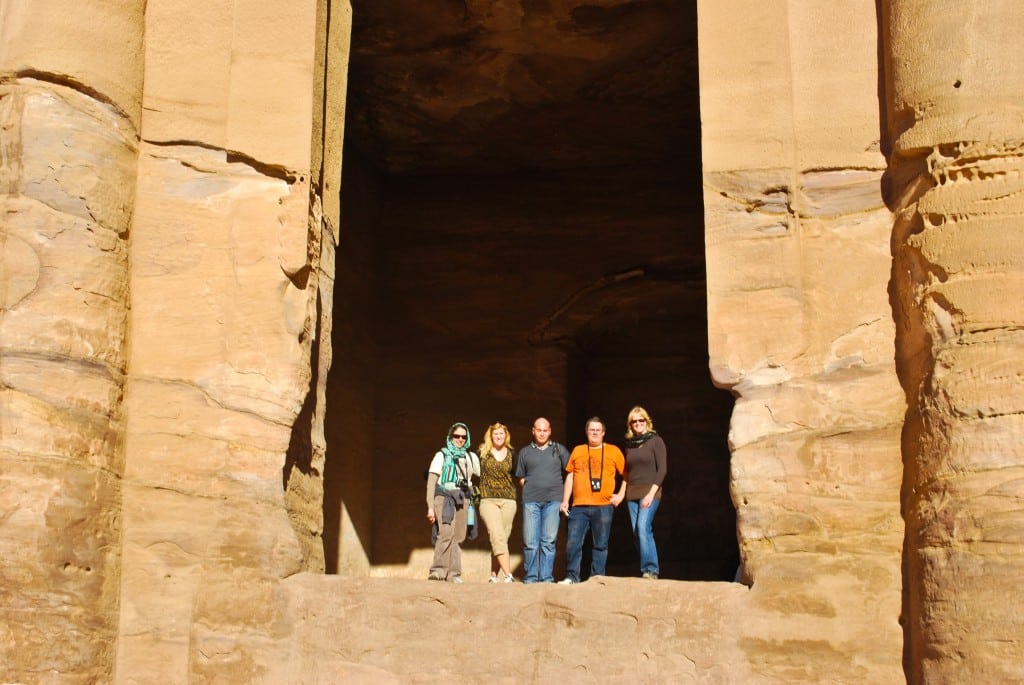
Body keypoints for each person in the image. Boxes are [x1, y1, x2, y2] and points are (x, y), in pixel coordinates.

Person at [559, 417, 626, 584]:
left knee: (601, 544)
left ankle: (597, 577)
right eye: (591, 430)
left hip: (603, 506)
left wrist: (620, 495)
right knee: (573, 543)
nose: (594, 433)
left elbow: (627, 475)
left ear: (603, 433)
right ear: (586, 432)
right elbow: (570, 476)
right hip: (579, 506)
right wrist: (565, 500)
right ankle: (571, 576)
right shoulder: (578, 450)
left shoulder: (613, 451)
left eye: (598, 430)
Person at [514, 417, 570, 584]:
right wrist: (532, 490)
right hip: (531, 502)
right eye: (539, 430)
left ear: (550, 431)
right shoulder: (525, 452)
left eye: (545, 430)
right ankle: (531, 578)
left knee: (548, 541)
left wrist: (564, 498)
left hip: (553, 501)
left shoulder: (559, 450)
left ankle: (546, 578)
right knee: (530, 541)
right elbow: (521, 477)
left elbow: (571, 472)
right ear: (533, 431)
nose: (542, 433)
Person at [425, 422, 480, 582]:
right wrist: (430, 507)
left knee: (458, 536)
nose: (460, 439)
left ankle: (453, 574)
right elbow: (431, 482)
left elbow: (482, 473)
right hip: (444, 498)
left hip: (463, 498)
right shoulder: (441, 455)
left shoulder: (470, 457)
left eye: (464, 437)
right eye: (457, 436)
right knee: (446, 533)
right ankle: (437, 571)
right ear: (451, 436)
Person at [624, 406, 667, 580]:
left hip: (650, 492)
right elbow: (627, 471)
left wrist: (651, 494)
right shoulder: (629, 445)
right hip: (632, 494)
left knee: (643, 527)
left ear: (646, 421)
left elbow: (662, 469)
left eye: (641, 420)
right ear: (630, 425)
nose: (638, 424)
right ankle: (646, 569)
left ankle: (651, 569)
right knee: (637, 532)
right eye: (634, 421)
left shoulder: (656, 441)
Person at [477, 422, 518, 583]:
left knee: (502, 539)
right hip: (488, 500)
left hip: (509, 500)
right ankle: (509, 575)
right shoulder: (482, 452)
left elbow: (519, 474)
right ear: (491, 436)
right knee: (497, 535)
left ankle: (493, 575)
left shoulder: (513, 453)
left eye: (502, 433)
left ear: (506, 435)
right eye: (496, 434)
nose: (499, 436)